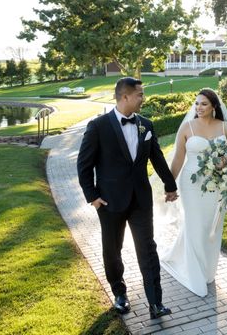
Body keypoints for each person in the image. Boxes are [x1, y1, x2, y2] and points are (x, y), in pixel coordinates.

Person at [77, 77, 178, 319]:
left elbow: (157, 157)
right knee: (112, 250)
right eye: (140, 95)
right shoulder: (98, 126)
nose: (143, 98)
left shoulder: (146, 125)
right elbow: (84, 164)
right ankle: (120, 293)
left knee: (148, 249)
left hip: (141, 200)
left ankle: (156, 302)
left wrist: (170, 185)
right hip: (109, 202)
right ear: (125, 97)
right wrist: (92, 196)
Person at [156, 88, 227, 297]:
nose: (199, 107)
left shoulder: (226, 127)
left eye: (204, 104)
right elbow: (178, 158)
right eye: (196, 103)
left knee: (212, 227)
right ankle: (195, 274)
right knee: (195, 226)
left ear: (214, 106)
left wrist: (226, 167)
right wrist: (170, 186)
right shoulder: (187, 127)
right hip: (192, 184)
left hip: (218, 184)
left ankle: (208, 271)